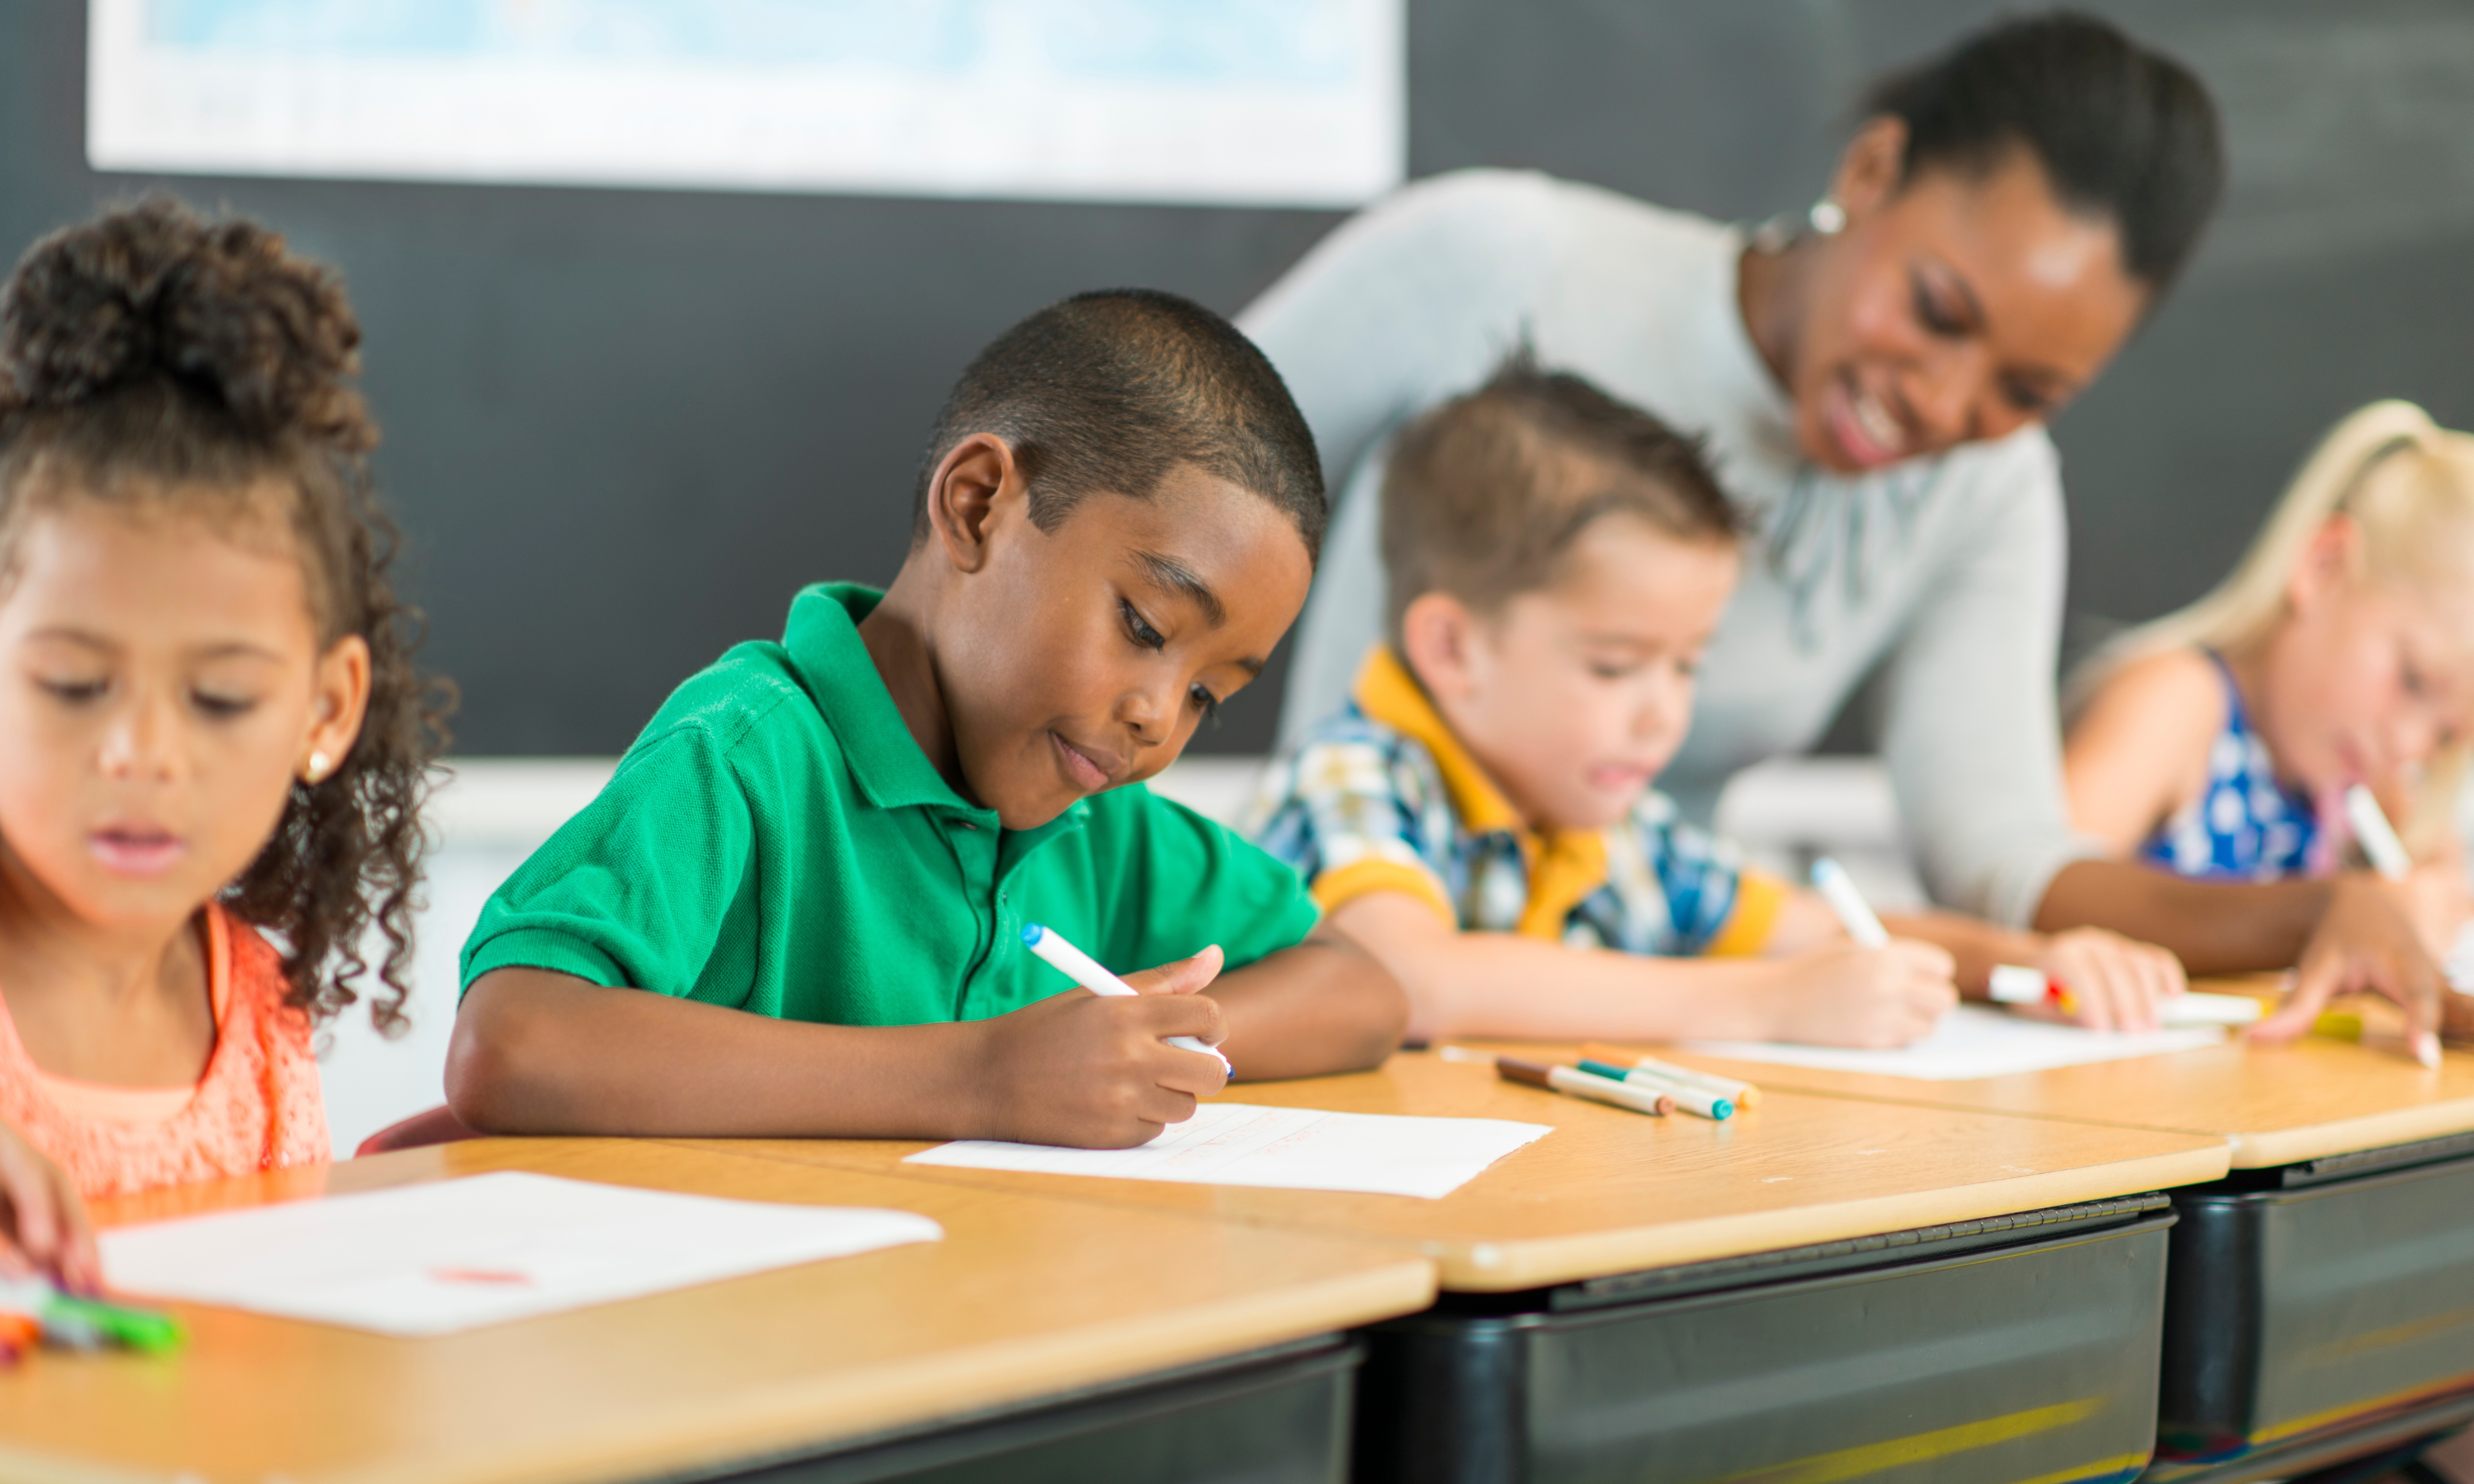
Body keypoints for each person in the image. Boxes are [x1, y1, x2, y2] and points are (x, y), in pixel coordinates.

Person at [1244, 12, 2448, 1052]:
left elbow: (2001, 855)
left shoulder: (1987, 496)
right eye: (1937, 311)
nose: (1943, 402)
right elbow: (1141, 478)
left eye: (2024, 392)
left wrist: (2266, 921)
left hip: (1644, 1035)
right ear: (1873, 173)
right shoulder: (1499, 264)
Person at [449, 290, 1406, 1151]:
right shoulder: (748, 756)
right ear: (979, 506)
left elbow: (1362, 991)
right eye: (1144, 626)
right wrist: (984, 1076)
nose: (1159, 719)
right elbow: (514, 1039)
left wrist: (1138, 1049)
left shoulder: (1088, 819)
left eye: (1210, 695)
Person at [1249, 359, 1959, 1046]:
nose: (1664, 717)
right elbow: (1413, 981)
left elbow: (1820, 932)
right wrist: (1766, 1004)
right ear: (1453, 650)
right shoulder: (1351, 777)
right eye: (1615, 668)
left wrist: (2013, 964)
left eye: (1687, 666)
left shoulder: (1615, 831)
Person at [0, 199, 447, 1279]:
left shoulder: (257, 1022)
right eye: (73, 685)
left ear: (324, 712)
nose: (141, 751)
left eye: (219, 702)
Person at [2066, 401, 2474, 1042]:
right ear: (2322, 566)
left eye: (2448, 735)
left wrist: (2428, 906)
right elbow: (2037, 890)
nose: (2410, 743)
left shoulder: (2365, 793)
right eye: (2413, 680)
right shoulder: (2178, 703)